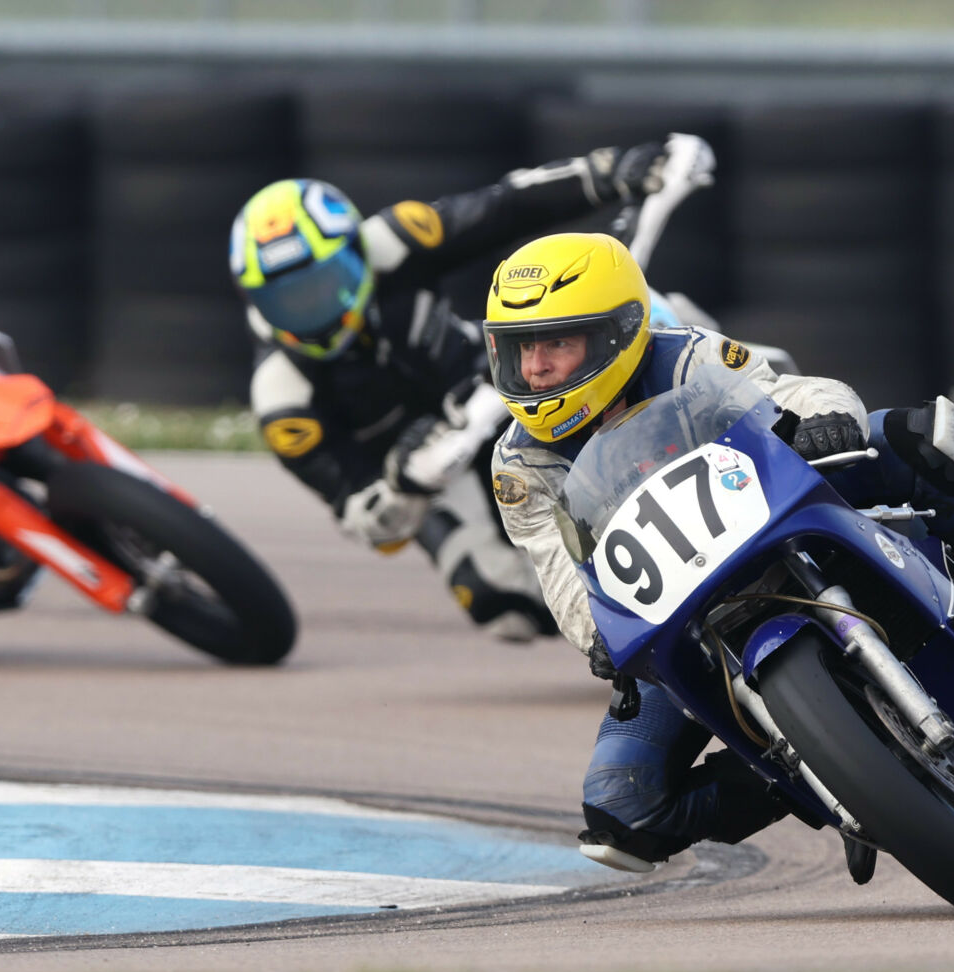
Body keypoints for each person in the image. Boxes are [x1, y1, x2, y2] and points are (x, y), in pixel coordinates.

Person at [485, 231, 954, 873]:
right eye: (519, 350)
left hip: (772, 518)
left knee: (926, 436)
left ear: (620, 334)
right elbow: (559, 576)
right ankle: (826, 777)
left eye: (557, 344)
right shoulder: (517, 463)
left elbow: (792, 390)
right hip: (677, 609)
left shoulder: (684, 358)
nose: (535, 369)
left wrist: (828, 417)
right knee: (622, 812)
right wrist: (596, 637)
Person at [229, 139, 685, 641]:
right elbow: (368, 524)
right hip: (436, 475)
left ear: (355, 249)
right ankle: (633, 637)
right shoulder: (282, 399)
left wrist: (605, 173)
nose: (313, 310)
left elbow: (503, 207)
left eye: (322, 283)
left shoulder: (395, 239)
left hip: (496, 381)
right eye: (288, 300)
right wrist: (405, 483)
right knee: (503, 606)